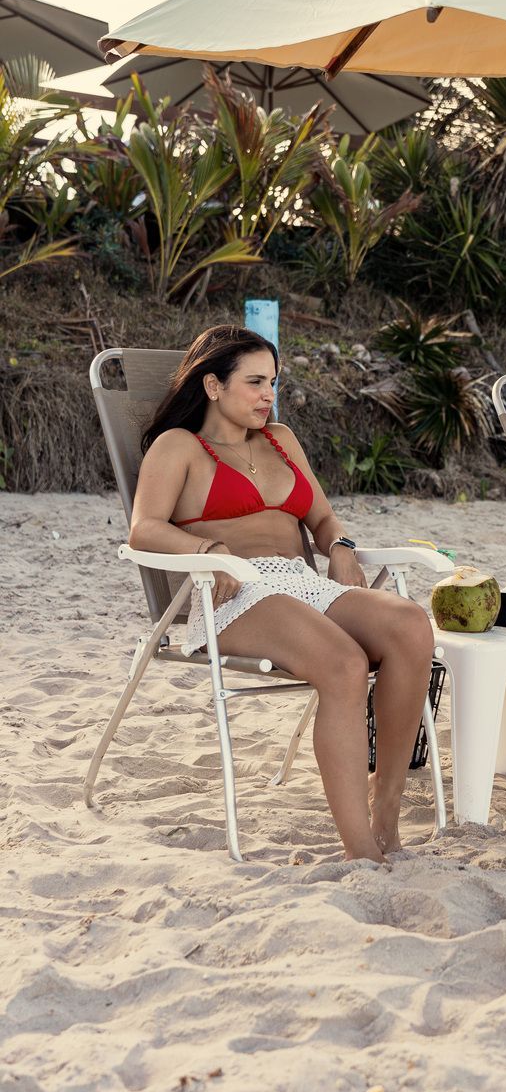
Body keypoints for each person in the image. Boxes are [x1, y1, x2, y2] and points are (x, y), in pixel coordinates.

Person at [129, 324, 434, 862]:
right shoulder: (178, 447)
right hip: (229, 594)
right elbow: (144, 529)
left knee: (410, 624)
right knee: (344, 662)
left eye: (273, 381)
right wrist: (209, 552)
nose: (268, 395)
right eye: (254, 382)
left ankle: (385, 807)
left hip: (301, 583)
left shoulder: (280, 438)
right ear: (213, 386)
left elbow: (320, 515)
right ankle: (361, 849)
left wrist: (339, 544)